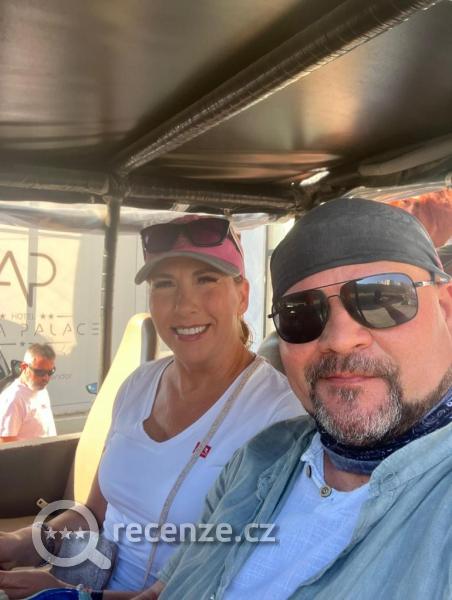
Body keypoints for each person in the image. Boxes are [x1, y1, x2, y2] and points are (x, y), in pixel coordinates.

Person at [144, 198, 452, 600]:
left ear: (446, 308)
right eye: (301, 313)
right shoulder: (260, 456)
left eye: (379, 299)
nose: (340, 339)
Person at [0, 215, 302, 598]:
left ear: (242, 295)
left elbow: (235, 580)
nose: (184, 304)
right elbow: (93, 513)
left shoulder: (280, 416)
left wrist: (68, 594)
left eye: (206, 280)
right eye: (164, 284)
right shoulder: (137, 386)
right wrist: (24, 542)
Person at [0, 343, 56, 443]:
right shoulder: (13, 399)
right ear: (24, 367)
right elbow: (5, 444)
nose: (46, 378)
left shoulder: (41, 389)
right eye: (40, 372)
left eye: (50, 372)